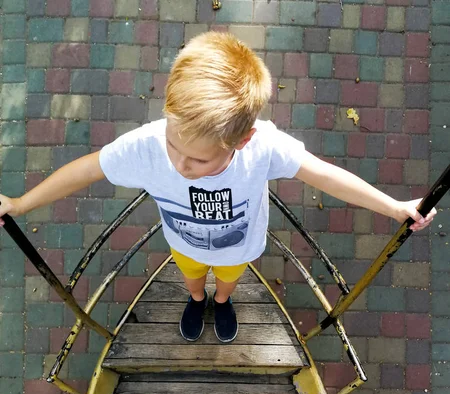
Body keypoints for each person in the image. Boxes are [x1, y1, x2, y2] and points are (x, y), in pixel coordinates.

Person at [0, 32, 436, 344]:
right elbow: (87, 169)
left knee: (228, 281)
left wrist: (393, 206)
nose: (181, 165)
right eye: (174, 147)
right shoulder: (149, 146)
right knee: (191, 278)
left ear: (242, 140)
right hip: (185, 244)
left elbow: (321, 173)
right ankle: (196, 299)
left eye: (200, 159)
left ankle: (223, 303)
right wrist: (21, 203)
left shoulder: (261, 146)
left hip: (239, 248)